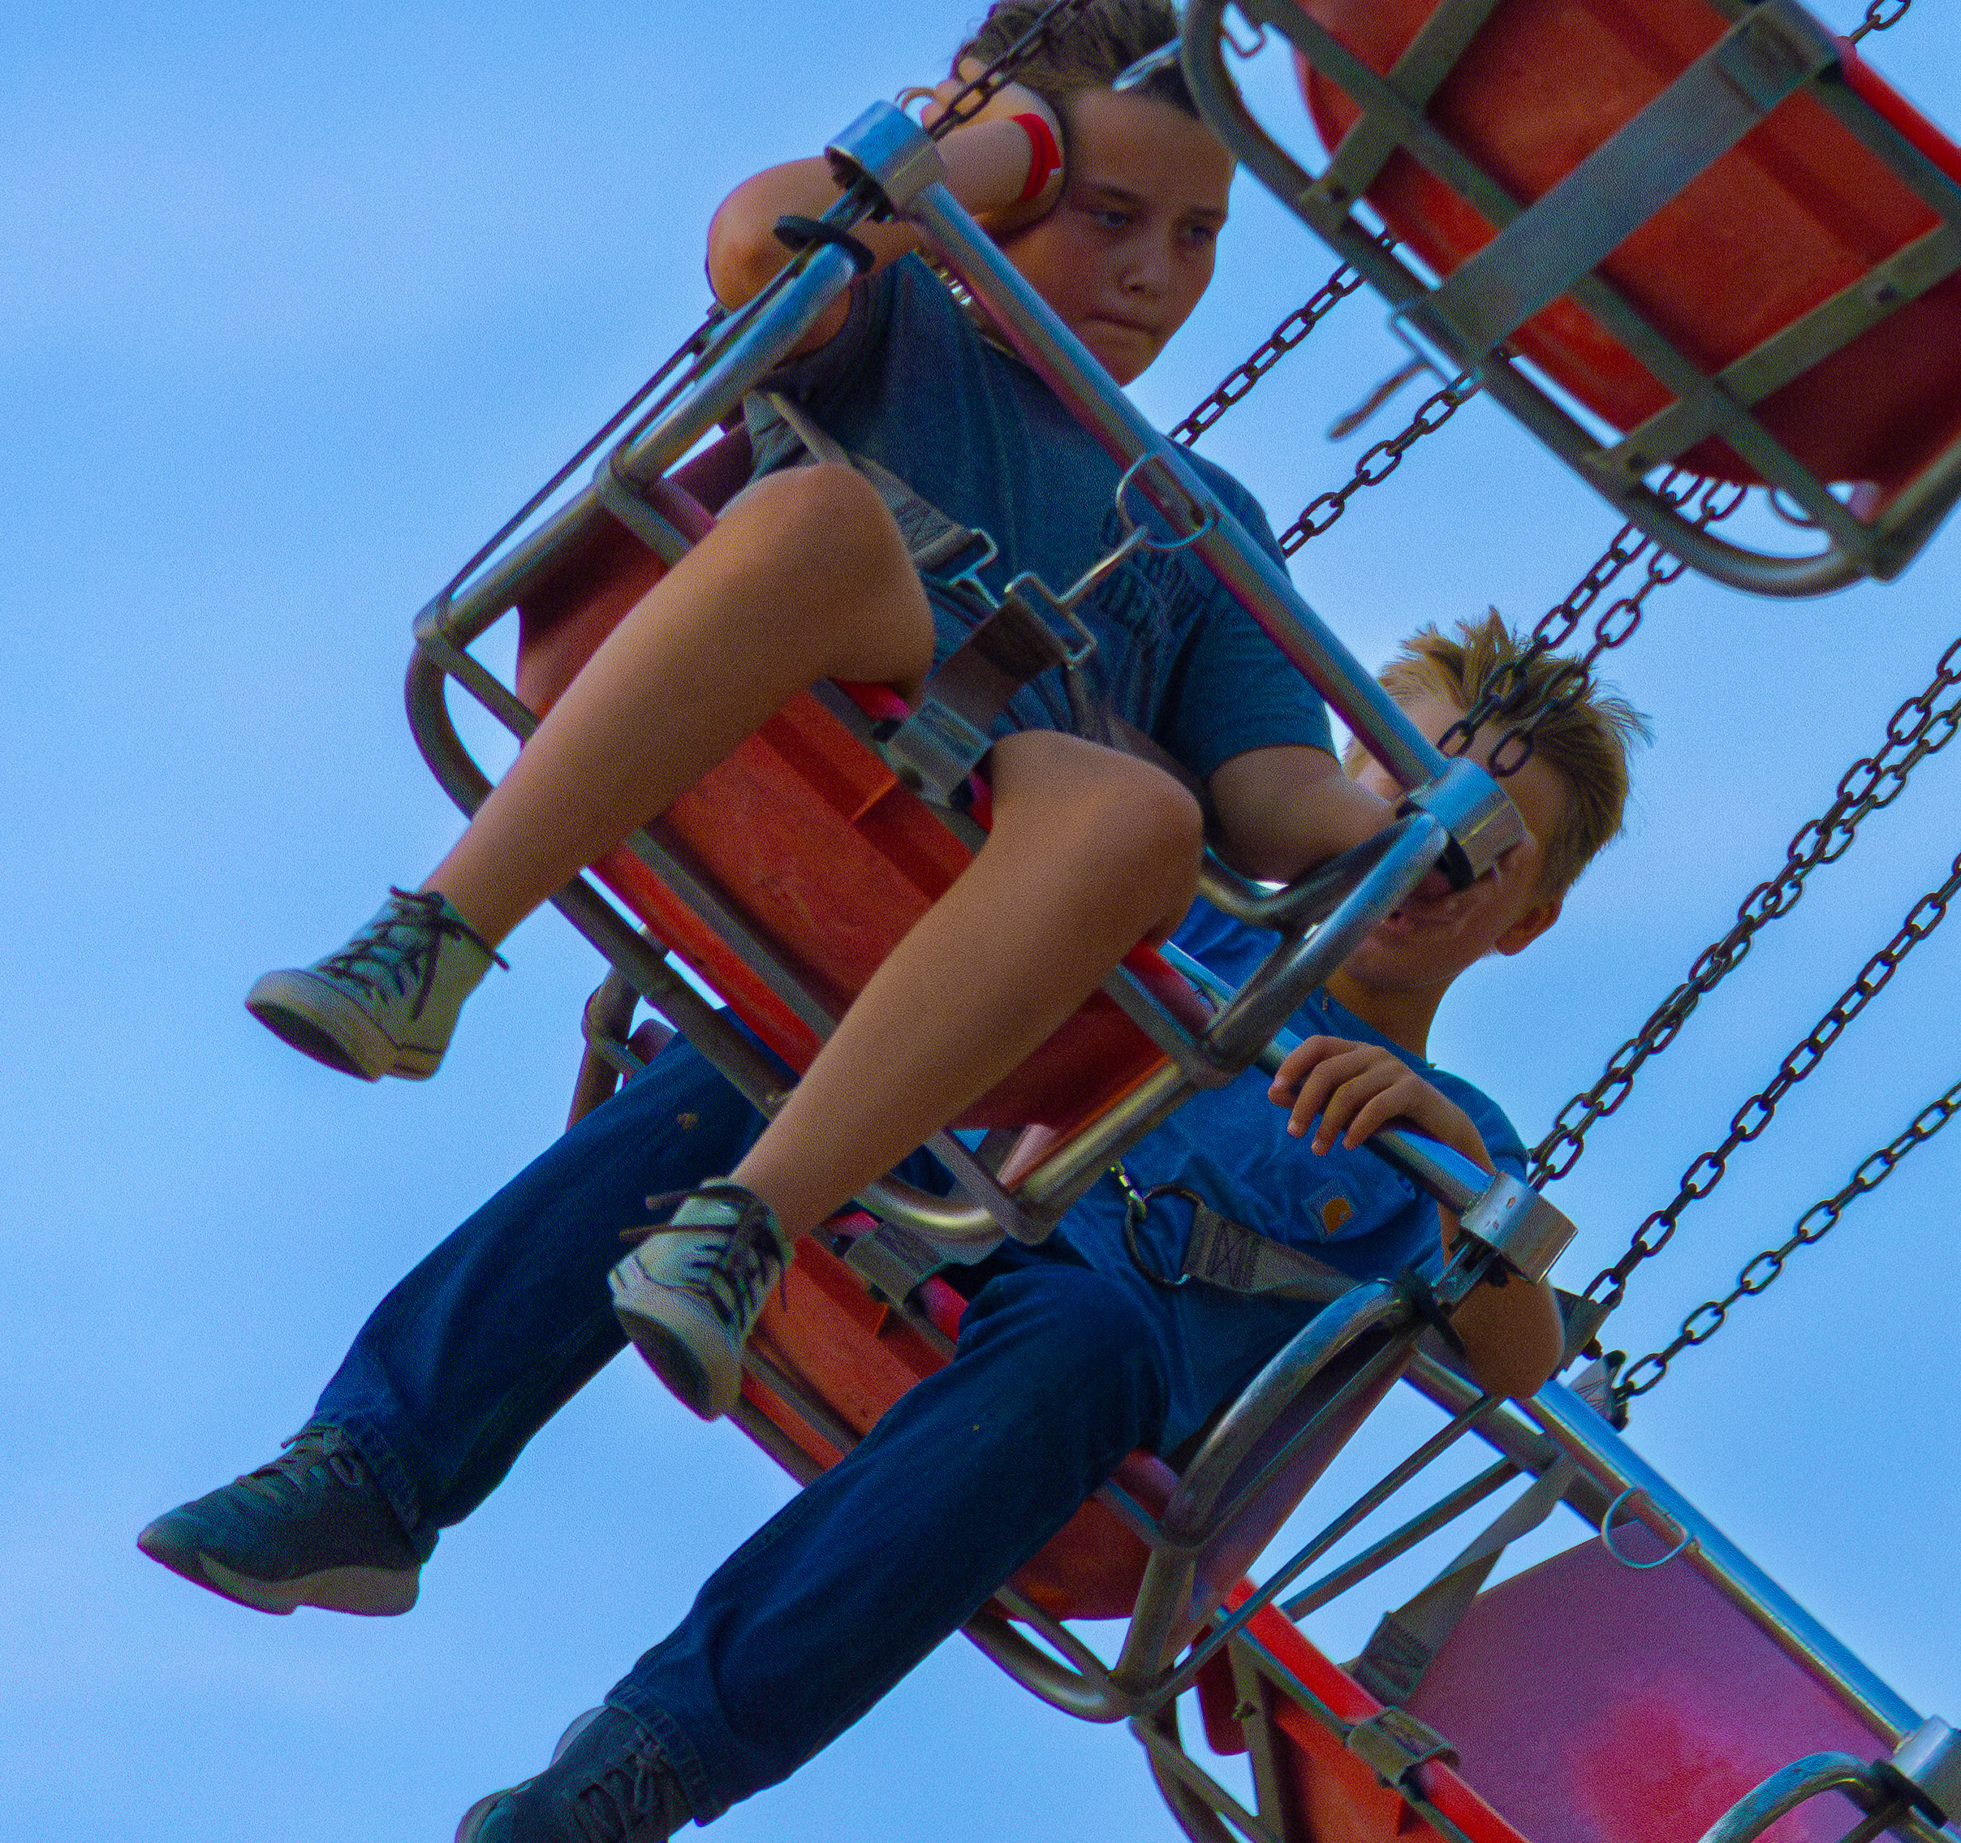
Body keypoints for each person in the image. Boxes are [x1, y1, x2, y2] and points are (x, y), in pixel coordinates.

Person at [143, 614, 1646, 1842]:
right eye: (1406, 785)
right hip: (885, 1199)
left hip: (1078, 1363)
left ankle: (650, 1761)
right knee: (772, 1050)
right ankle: (372, 1473)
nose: (1431, 850)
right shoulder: (1168, 901)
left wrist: (1455, 1162)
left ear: (1530, 918)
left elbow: (1517, 1352)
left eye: (1492, 847)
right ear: (1332, 779)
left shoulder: (1453, 1143)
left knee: (1083, 1340)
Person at [237, 0, 1429, 1419]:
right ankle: (433, 942)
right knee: (824, 523)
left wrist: (1410, 814)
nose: (1156, 276)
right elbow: (756, 241)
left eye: (1197, 236)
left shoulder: (1195, 516)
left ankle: (745, 1229)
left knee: (1139, 810)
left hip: (957, 873)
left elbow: (1275, 802)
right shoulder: (893, 314)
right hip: (776, 746)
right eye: (1107, 212)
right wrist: (987, 146)